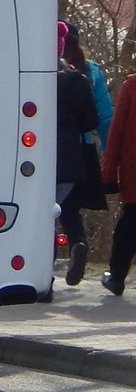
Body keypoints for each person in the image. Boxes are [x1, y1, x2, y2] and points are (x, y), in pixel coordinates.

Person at [59, 22, 112, 285]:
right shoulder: (90, 72)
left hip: (47, 149)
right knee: (70, 208)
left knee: (43, 208)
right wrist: (109, 156)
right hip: (81, 150)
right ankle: (77, 243)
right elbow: (103, 117)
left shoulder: (45, 70)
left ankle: (42, 263)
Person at [55, 21, 98, 290]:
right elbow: (90, 120)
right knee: (69, 210)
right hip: (70, 158)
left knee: (41, 216)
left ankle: (42, 278)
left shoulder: (31, 77)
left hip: (35, 158)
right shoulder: (78, 80)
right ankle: (78, 242)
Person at [101, 70, 136, 295]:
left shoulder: (132, 86)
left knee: (130, 224)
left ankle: (117, 276)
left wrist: (108, 174)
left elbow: (116, 132)